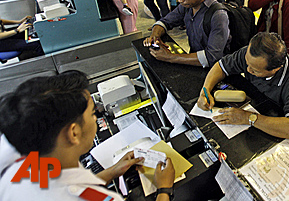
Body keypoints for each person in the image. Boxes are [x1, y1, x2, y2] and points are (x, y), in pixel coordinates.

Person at [0, 71, 175, 201]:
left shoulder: (20, 162)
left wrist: (112, 172)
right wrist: (164, 189)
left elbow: (65, 184)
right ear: (74, 133)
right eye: (92, 114)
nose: (96, 119)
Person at [197, 32, 289, 140]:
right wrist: (204, 91)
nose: (247, 69)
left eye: (255, 70)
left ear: (276, 69)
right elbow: (221, 67)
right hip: (256, 104)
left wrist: (248, 118)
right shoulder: (252, 54)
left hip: (273, 126)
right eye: (247, 63)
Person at [144, 0, 230, 68]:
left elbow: (212, 57)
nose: (180, 0)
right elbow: (165, 22)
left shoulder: (218, 15)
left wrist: (170, 57)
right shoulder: (187, 6)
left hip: (216, 70)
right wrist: (155, 36)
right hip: (195, 63)